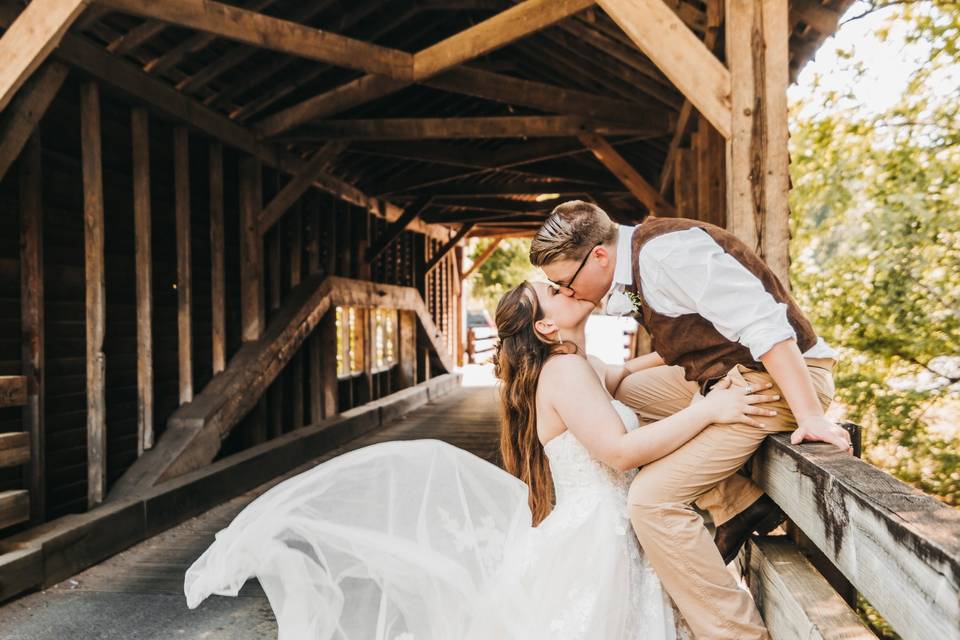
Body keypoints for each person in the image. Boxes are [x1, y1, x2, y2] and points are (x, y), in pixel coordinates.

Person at [183, 280, 778, 640]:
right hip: (601, 538)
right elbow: (620, 452)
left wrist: (715, 352)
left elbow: (624, 373)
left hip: (609, 528)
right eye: (551, 290)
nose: (562, 285)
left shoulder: (579, 365)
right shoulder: (565, 370)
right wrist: (711, 412)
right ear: (546, 325)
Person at [529, 200, 848, 639]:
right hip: (719, 379)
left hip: (769, 380)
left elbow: (765, 323)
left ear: (598, 256)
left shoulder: (667, 255)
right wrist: (624, 376)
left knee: (650, 502)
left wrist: (810, 413)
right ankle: (736, 502)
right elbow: (696, 334)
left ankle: (737, 634)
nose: (568, 292)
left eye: (565, 281)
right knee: (618, 395)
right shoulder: (635, 261)